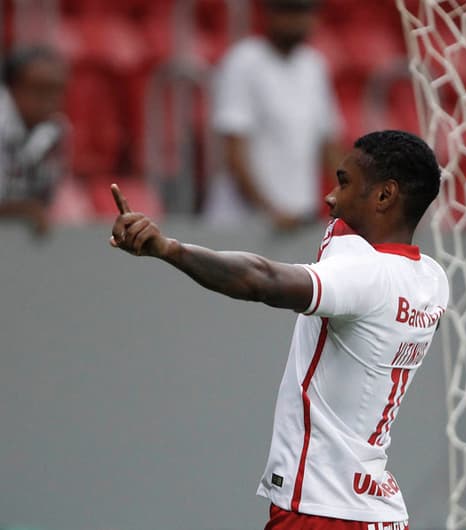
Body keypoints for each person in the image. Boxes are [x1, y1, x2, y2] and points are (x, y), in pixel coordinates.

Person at [110, 130, 448, 528]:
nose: (331, 196)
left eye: (344, 182)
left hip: (321, 510)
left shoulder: (365, 274)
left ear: (384, 196)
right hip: (379, 513)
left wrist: (170, 249)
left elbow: (263, 280)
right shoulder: (431, 279)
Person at [205, 0, 343, 230]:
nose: (298, 21)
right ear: (270, 14)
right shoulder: (243, 61)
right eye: (290, 12)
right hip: (243, 221)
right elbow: (234, 149)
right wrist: (269, 210)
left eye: (305, 13)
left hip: (297, 220)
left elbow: (328, 145)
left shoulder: (314, 65)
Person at [0, 46, 67, 236]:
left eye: (57, 90)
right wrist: (25, 210)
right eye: (40, 89)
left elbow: (47, 197)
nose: (51, 99)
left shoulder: (57, 130)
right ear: (13, 88)